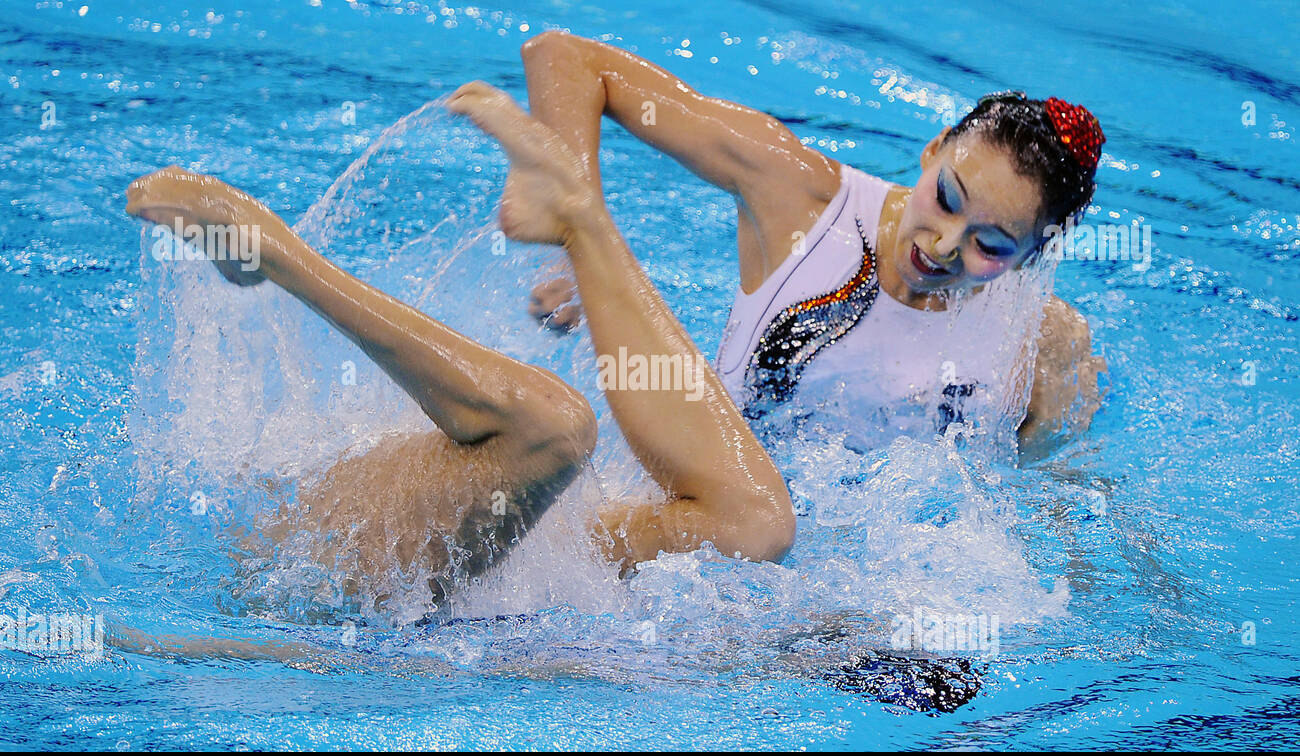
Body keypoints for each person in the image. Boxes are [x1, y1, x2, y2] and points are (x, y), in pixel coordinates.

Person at [125, 81, 794, 615]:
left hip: (446, 558)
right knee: (562, 432)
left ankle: (577, 220)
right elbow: (562, 56)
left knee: (747, 529)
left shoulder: (712, 658)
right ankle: (271, 253)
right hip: (346, 550)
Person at [518, 33, 1107, 457]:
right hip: (713, 528)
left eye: (991, 245)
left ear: (1033, 257)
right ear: (933, 151)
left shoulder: (1041, 339)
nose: (945, 244)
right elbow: (564, 60)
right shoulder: (802, 197)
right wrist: (570, 247)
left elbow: (1028, 492)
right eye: (947, 198)